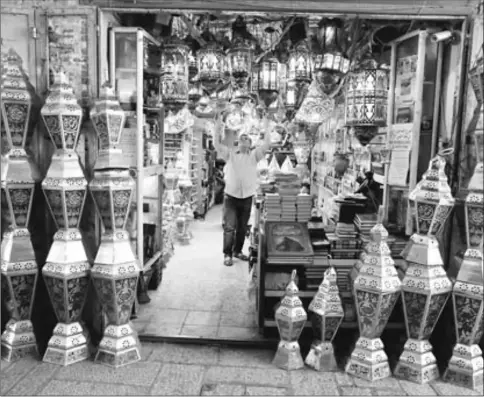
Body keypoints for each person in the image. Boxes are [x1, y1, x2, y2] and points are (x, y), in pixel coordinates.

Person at [213, 117, 272, 266]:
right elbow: (216, 144)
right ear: (239, 143)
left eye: (247, 138)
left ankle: (237, 251)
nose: (244, 138)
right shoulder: (231, 155)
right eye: (242, 137)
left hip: (247, 197)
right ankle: (227, 254)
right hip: (231, 196)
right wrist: (218, 125)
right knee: (229, 227)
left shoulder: (254, 156)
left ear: (250, 144)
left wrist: (266, 123)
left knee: (242, 227)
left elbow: (267, 144)